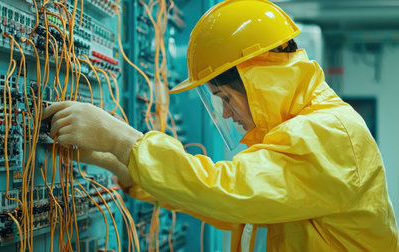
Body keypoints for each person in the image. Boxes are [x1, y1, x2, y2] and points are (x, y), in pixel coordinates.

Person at [42, 0, 399, 251]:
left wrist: (120, 138)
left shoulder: (332, 133)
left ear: (259, 79)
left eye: (226, 98)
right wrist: (124, 166)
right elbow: (237, 211)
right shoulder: (298, 133)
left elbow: (225, 190)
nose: (226, 114)